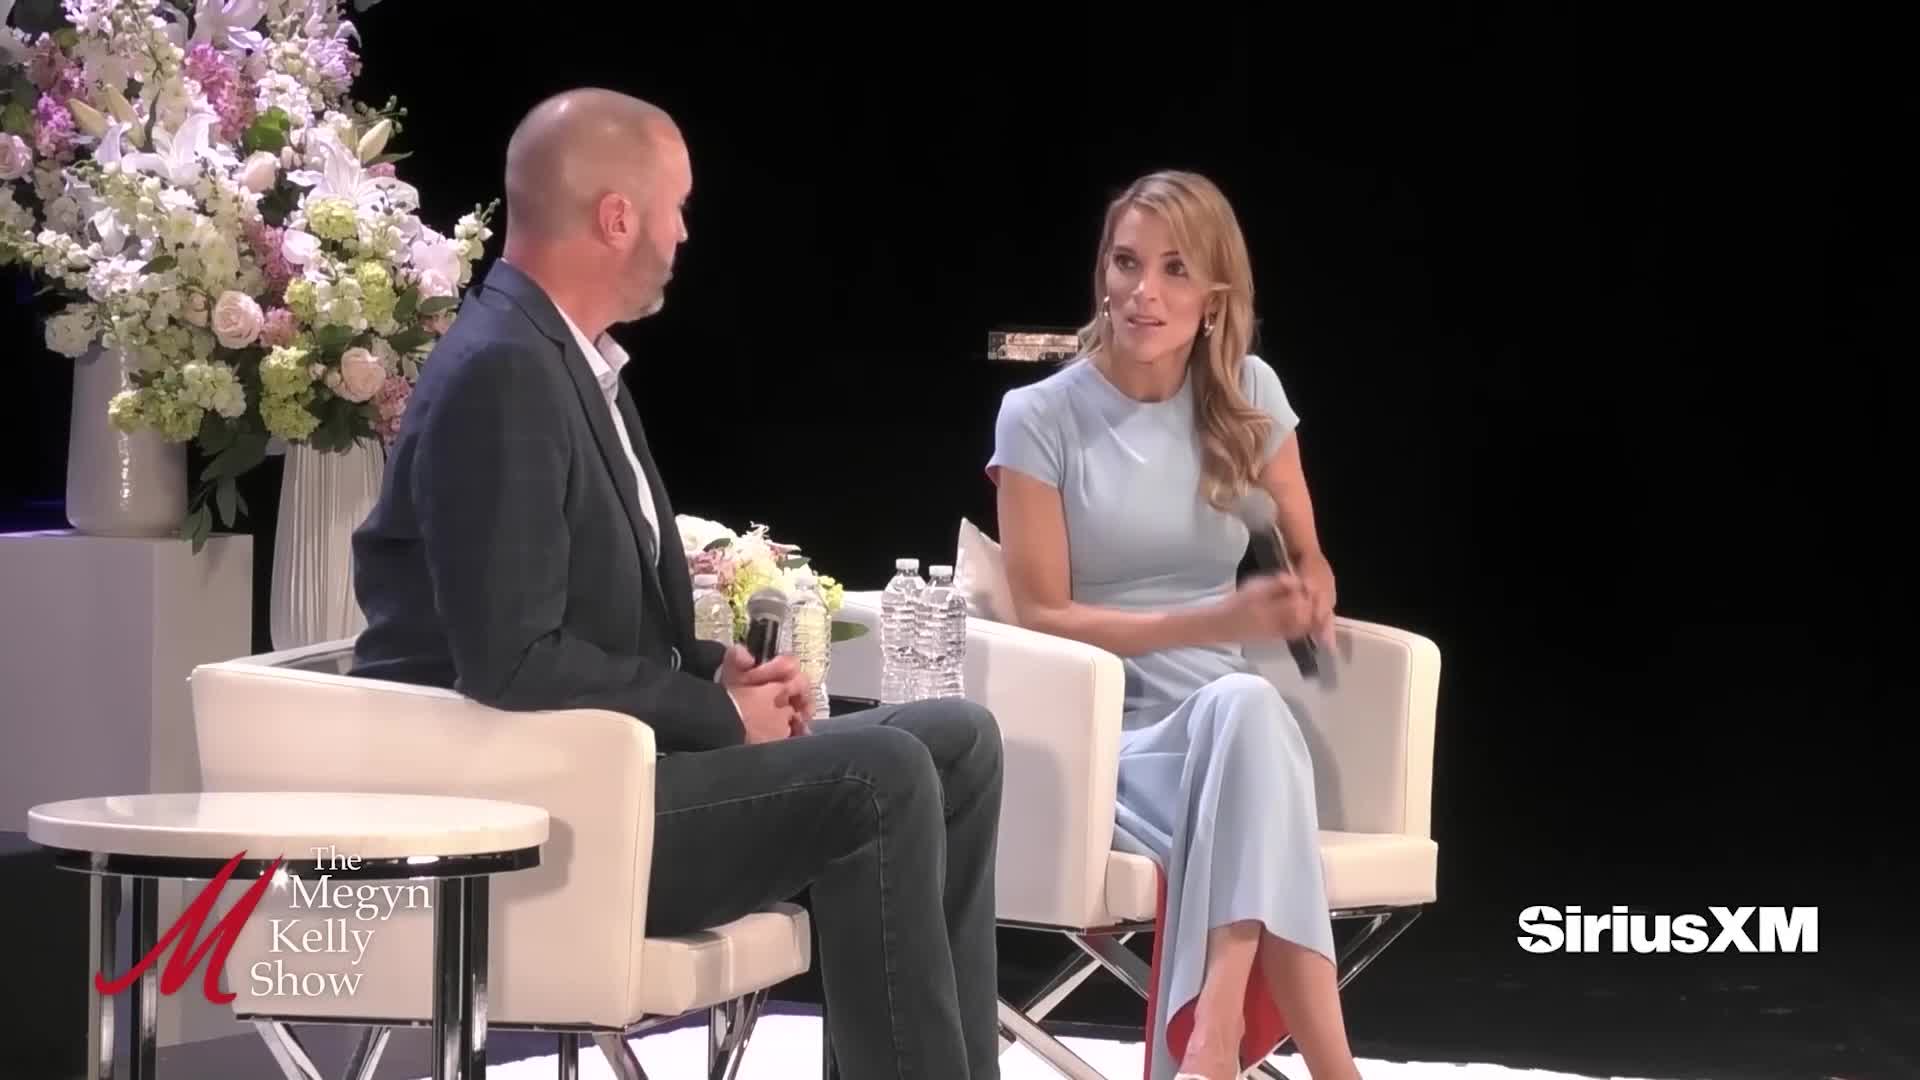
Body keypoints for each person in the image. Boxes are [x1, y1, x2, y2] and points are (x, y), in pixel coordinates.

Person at [349, 88, 1003, 1080]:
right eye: (677, 206)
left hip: (614, 768)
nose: (685, 232)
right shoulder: (502, 374)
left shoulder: (573, 366)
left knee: (956, 740)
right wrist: (713, 711)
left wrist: (720, 670)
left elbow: (595, 621)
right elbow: (513, 657)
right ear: (619, 217)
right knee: (880, 776)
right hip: (542, 805)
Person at [986, 170, 1360, 1080]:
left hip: (1224, 726)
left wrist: (1310, 591)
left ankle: (1211, 1042)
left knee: (1247, 716)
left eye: (1174, 270)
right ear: (1102, 276)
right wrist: (1216, 617)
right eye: (1126, 263)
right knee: (1252, 726)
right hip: (1103, 738)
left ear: (1213, 295)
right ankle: (1291, 1060)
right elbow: (1042, 617)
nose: (1143, 292)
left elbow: (1310, 556)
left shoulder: (1250, 393)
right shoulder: (1038, 417)